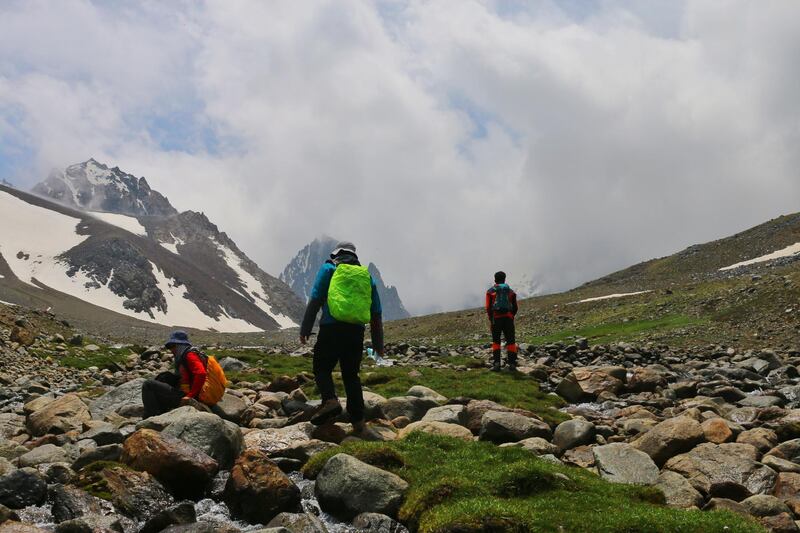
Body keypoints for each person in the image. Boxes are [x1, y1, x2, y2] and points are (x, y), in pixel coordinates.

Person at [299, 241, 383, 433]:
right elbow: (376, 313)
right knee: (351, 375)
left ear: (336, 254)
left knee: (321, 368)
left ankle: (330, 400)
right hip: (356, 332)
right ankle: (358, 421)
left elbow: (315, 299)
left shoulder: (329, 268)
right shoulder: (366, 276)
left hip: (331, 328)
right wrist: (378, 345)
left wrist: (305, 329)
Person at [141, 330, 209, 418]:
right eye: (169, 346)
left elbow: (201, 373)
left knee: (148, 385)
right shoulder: (187, 353)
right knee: (165, 376)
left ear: (180, 345)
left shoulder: (189, 355)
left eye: (172, 346)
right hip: (188, 391)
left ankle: (151, 416)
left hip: (189, 396)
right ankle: (160, 410)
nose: (171, 349)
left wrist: (190, 396)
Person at [486, 271, 519, 372]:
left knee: (496, 341)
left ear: (495, 279)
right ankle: (512, 365)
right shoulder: (511, 291)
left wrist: (491, 319)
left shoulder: (490, 291)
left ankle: (496, 365)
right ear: (505, 279)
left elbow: (488, 307)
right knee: (511, 341)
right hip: (508, 319)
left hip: (496, 319)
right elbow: (515, 307)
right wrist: (511, 316)